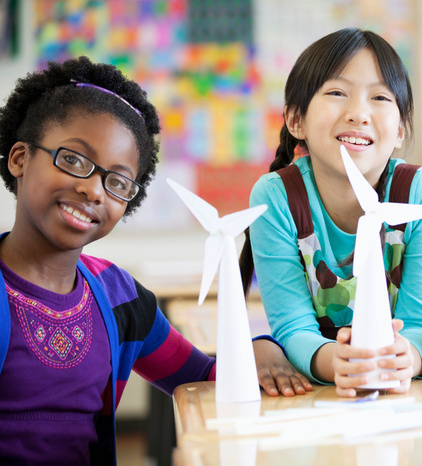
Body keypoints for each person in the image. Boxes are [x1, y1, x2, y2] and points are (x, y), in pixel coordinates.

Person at [0, 56, 312, 465]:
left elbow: (204, 377)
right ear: (20, 158)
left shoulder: (119, 297)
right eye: (73, 160)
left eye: (116, 182)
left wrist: (260, 350)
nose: (95, 191)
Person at [240, 28, 422, 397]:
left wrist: (408, 357)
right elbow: (293, 327)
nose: (358, 113)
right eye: (337, 93)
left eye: (380, 97)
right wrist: (338, 362)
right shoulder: (275, 198)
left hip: (409, 397)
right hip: (319, 394)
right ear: (296, 121)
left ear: (399, 129)